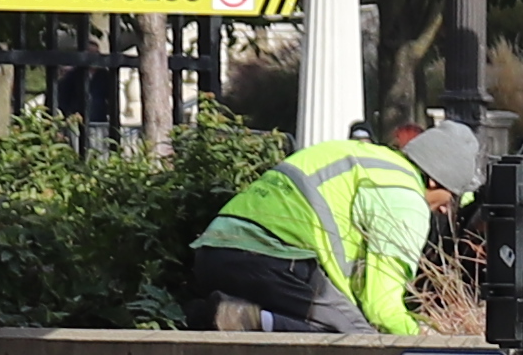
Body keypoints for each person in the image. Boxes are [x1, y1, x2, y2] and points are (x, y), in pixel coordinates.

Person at [178, 117, 485, 334]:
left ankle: (241, 316)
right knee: (358, 340)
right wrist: (430, 340)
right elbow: (381, 310)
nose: (446, 208)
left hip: (214, 252)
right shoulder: (405, 198)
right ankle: (246, 318)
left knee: (335, 319)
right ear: (433, 178)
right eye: (451, 196)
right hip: (270, 258)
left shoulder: (365, 157)